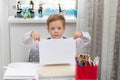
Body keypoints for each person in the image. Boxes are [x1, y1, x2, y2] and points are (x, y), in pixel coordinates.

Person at [24, 14, 91, 62]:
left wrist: (81, 34)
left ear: (64, 29)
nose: (56, 31)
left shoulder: (70, 42)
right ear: (48, 30)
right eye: (52, 28)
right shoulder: (42, 43)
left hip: (66, 70)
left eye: (59, 28)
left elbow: (87, 40)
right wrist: (31, 34)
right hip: (48, 71)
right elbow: (27, 42)